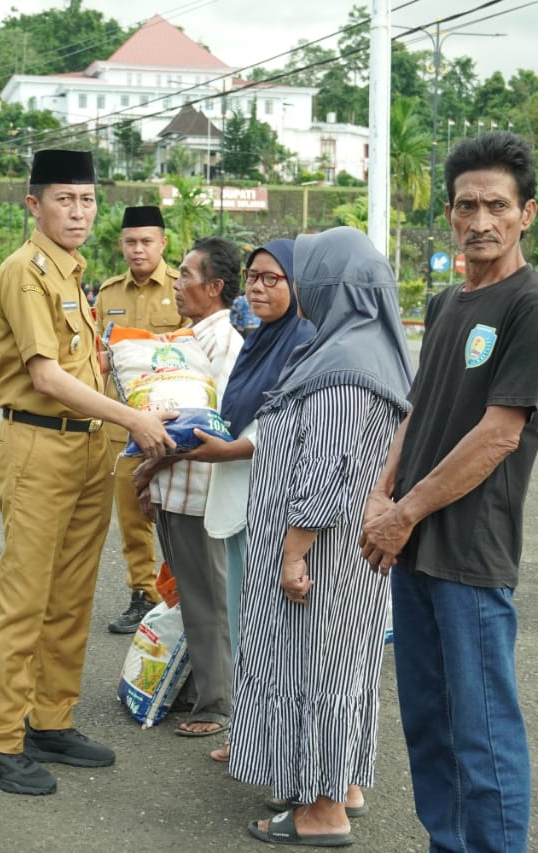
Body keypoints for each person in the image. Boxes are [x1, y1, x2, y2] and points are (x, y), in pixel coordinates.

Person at [359, 131, 538, 853]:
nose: (481, 220)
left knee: (482, 732)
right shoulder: (449, 303)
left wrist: (405, 512)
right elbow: (419, 410)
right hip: (412, 545)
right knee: (428, 722)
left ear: (526, 213)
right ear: (450, 214)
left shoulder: (534, 305)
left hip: (469, 549)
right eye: (467, 205)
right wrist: (379, 497)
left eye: (497, 206)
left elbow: (499, 435)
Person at [0, 149, 175, 797]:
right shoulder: (26, 272)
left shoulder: (72, 273)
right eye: (64, 199)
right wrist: (135, 422)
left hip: (88, 448)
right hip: (39, 446)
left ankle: (49, 719)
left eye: (86, 200)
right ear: (34, 204)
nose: (78, 211)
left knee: (72, 595)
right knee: (26, 596)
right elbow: (46, 376)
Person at [227, 227, 412, 847]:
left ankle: (322, 812)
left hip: (323, 556)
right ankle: (342, 783)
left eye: (307, 274)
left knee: (319, 673)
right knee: (344, 671)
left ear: (333, 286)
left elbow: (328, 470)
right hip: (346, 554)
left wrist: (293, 552)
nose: (296, 284)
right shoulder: (360, 349)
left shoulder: (345, 368)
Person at [185, 238, 314, 764]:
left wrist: (225, 449)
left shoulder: (304, 341)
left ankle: (277, 744)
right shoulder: (263, 338)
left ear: (298, 285)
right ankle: (250, 734)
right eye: (253, 278)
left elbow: (284, 424)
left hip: (269, 501)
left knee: (270, 632)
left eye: (272, 279)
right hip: (240, 495)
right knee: (246, 624)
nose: (257, 288)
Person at [132, 236, 243, 738]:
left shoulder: (226, 346)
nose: (176, 284)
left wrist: (148, 468)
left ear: (215, 287)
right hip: (176, 489)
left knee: (208, 598)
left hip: (201, 491)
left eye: (185, 276)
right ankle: (200, 686)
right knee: (186, 595)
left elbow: (209, 425)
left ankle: (218, 704)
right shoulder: (189, 339)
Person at [93, 205, 185, 634]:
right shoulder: (108, 295)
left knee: (182, 513)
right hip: (123, 424)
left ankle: (184, 591)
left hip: (175, 420)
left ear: (162, 243)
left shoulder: (183, 286)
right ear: (121, 245)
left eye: (147, 241)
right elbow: (96, 358)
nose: (138, 249)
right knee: (132, 516)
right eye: (130, 242)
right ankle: (143, 592)